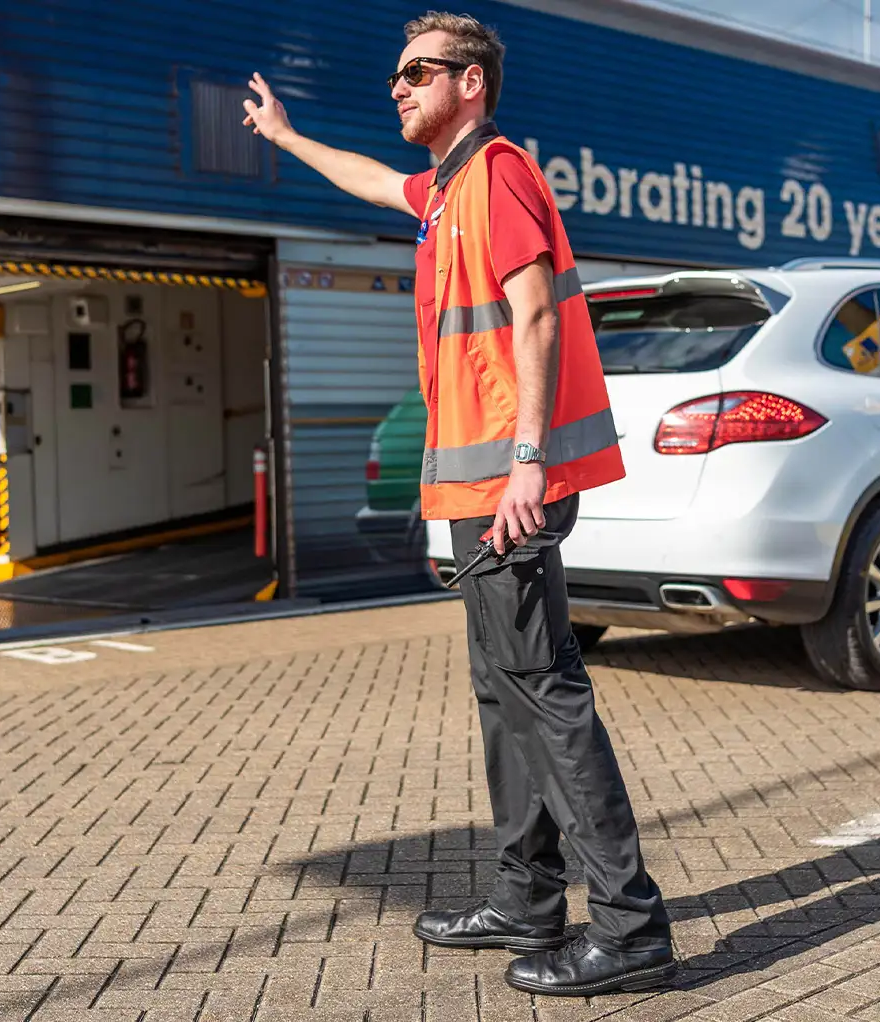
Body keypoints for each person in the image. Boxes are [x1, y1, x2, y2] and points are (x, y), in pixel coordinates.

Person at [244, 10, 674, 997]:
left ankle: (631, 923)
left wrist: (528, 462)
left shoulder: (497, 175)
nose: (396, 87)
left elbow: (533, 315)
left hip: (507, 488)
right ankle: (525, 897)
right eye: (394, 76)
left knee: (543, 691)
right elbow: (366, 176)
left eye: (415, 73)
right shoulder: (443, 191)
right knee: (504, 693)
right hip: (476, 488)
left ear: (469, 82)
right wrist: (286, 138)